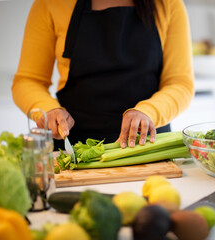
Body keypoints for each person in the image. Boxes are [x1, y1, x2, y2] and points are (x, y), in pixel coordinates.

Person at [12, 0, 194, 150]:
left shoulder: (169, 4)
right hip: (74, 148)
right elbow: (27, 81)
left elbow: (180, 83)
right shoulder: (50, 4)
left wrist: (149, 112)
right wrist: (47, 109)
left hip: (147, 147)